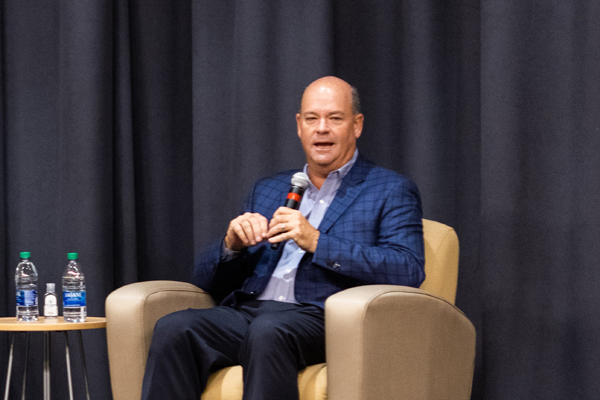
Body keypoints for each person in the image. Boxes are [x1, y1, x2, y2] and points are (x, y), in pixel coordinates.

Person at [141, 76, 425, 400]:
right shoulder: (269, 188)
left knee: (268, 332)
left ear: (356, 125)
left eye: (334, 118)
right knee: (174, 328)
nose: (321, 128)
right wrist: (231, 246)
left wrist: (317, 241)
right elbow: (205, 280)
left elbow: (408, 268)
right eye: (311, 118)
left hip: (322, 318)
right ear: (299, 126)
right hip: (250, 311)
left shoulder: (389, 189)